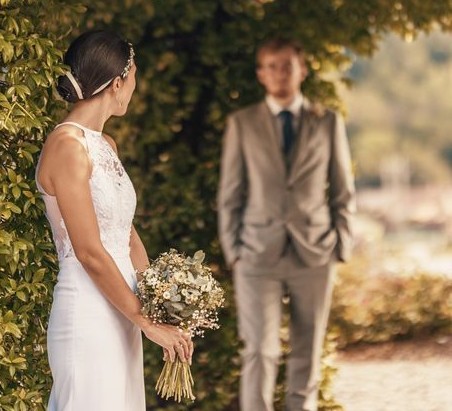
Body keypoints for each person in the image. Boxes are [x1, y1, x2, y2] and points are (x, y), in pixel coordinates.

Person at [36, 30, 193, 411]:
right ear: (118, 82)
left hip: (124, 311)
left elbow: (127, 235)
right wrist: (147, 321)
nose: (135, 87)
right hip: (89, 313)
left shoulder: (105, 145)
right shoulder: (67, 147)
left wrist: (162, 304)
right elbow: (89, 251)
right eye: (134, 76)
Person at [217, 38, 356, 411]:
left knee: (307, 350)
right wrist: (235, 253)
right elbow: (230, 195)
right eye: (272, 66)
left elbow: (343, 191)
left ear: (303, 70)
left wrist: (341, 243)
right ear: (261, 74)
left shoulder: (327, 121)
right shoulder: (242, 123)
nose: (281, 73)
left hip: (315, 251)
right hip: (256, 255)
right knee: (259, 351)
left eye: (288, 66)